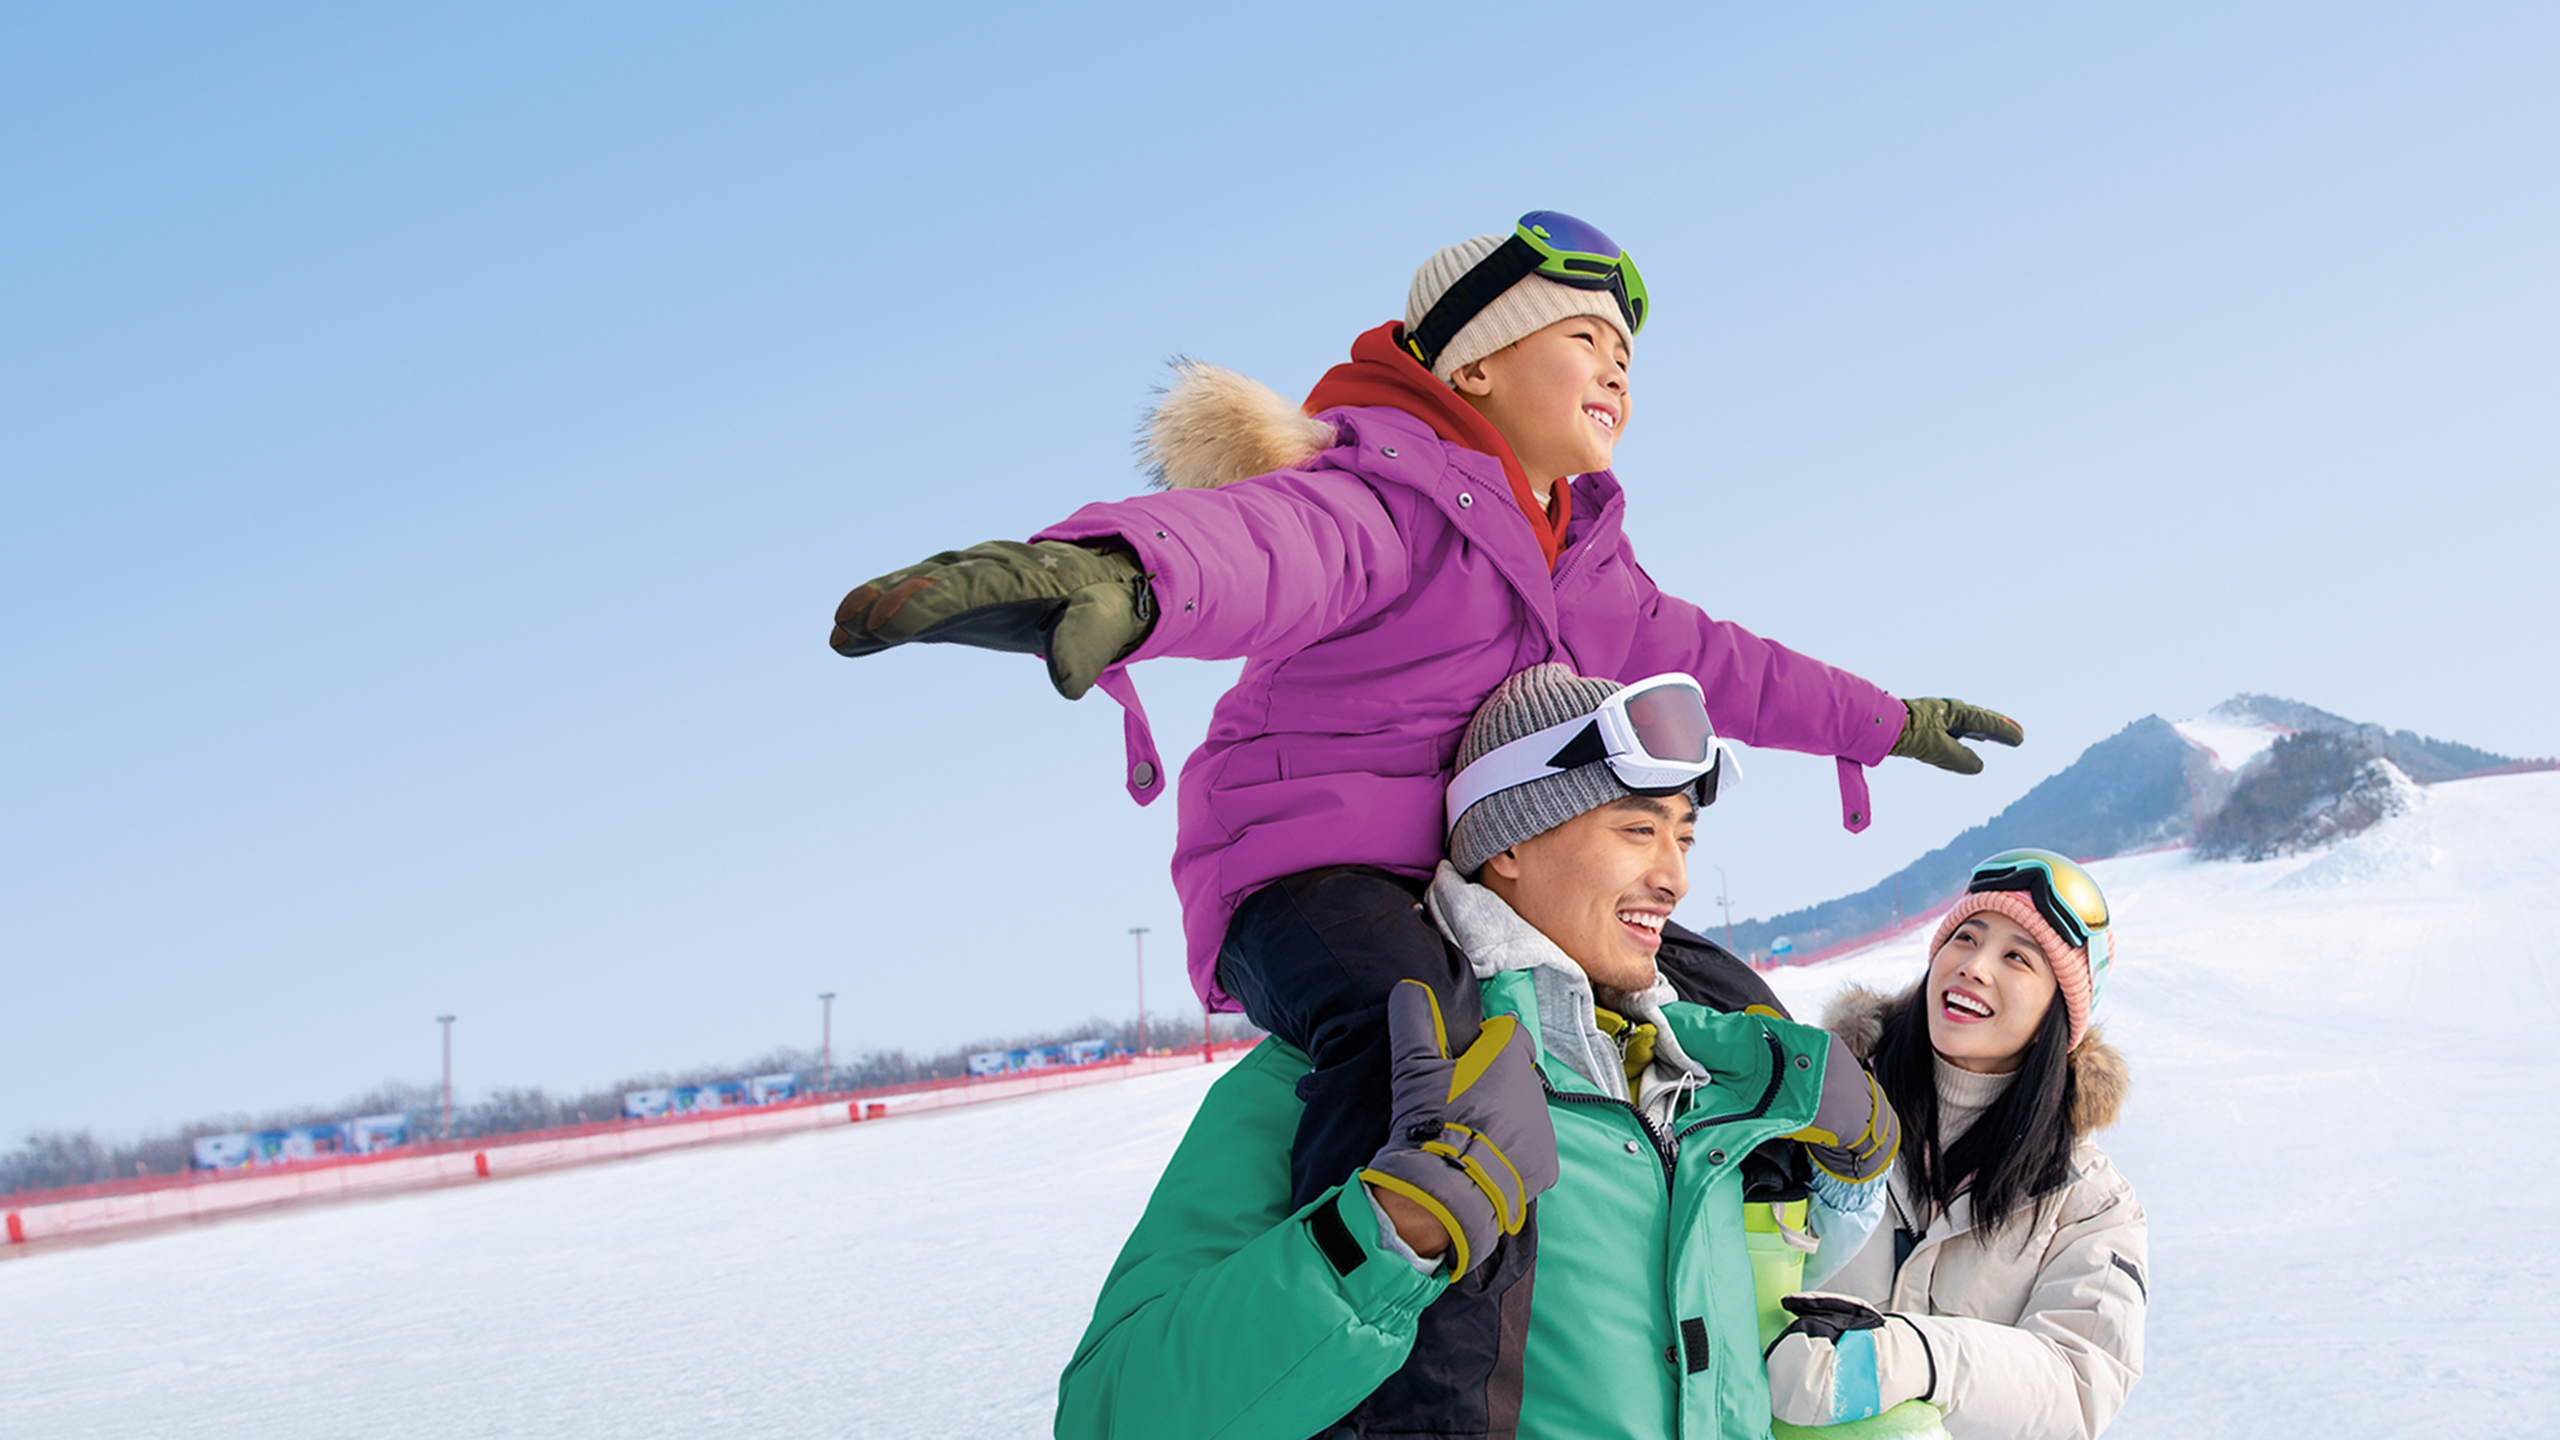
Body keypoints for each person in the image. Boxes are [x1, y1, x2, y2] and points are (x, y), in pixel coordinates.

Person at [829, 211, 2016, 1219]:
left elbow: (1729, 666)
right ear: (1478, 367)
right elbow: (1261, 546)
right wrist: (1127, 575)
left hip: (1480, 874)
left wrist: (1881, 721)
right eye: (1584, 338)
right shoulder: (1382, 498)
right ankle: (1362, 1322)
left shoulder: (1587, 565)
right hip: (1310, 877)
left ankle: (1752, 1252)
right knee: (1419, 1039)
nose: (1617, 372)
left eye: (1629, 357)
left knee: (1719, 1000)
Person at [1054, 665, 1901, 1440]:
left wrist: (1844, 1177)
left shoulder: (1697, 1071)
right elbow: (1112, 1413)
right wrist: (1390, 1232)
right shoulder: (1348, 1071)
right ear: (1509, 843)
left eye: (1684, 838)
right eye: (1638, 829)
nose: (1674, 876)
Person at [1763, 850, 2144, 1440]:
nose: (1974, 966)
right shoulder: (1812, 1110)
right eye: (1965, 938)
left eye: (2018, 957)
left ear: (2059, 1014)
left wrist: (1919, 1358)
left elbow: (2077, 1388)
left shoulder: (2090, 1204)